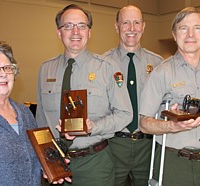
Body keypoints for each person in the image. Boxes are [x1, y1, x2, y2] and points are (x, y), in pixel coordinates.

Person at [139, 7, 200, 186]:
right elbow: (144, 124)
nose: (190, 34)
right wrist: (172, 125)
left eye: (197, 28)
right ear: (174, 35)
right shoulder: (161, 72)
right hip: (173, 165)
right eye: (183, 28)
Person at [36, 4, 133, 186]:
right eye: (68, 26)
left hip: (94, 163)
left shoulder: (107, 68)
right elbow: (41, 119)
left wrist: (93, 127)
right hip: (56, 162)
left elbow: (125, 114)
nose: (75, 32)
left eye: (81, 26)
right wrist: (44, 159)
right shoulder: (45, 69)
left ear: (89, 32)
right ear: (59, 32)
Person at [0, 40, 69, 186]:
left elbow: (29, 158)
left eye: (7, 68)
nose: (3, 74)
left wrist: (48, 166)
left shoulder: (24, 113)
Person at [103, 5, 163, 186]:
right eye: (126, 23)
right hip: (113, 144)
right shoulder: (102, 64)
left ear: (143, 26)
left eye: (136, 22)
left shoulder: (158, 64)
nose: (131, 28)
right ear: (117, 27)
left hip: (147, 144)